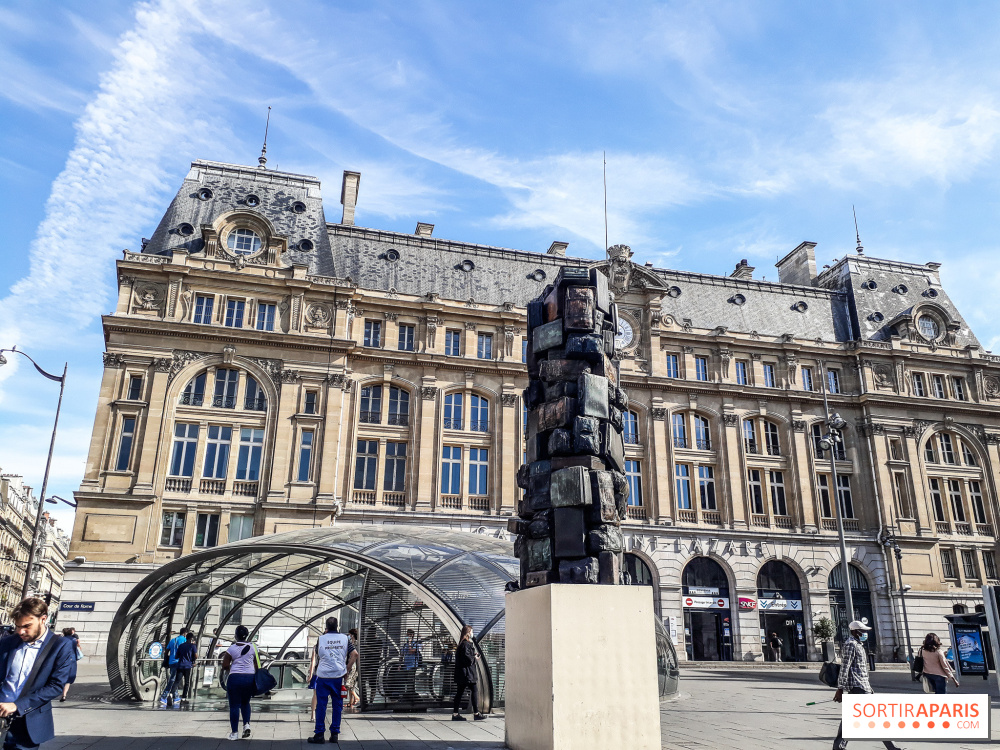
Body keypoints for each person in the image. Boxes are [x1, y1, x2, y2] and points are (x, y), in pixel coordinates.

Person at [0, 597, 76, 750]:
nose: (21, 631)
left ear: (43, 619)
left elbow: (55, 686)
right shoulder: (8, 642)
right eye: (18, 626)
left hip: (27, 721)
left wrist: (17, 705)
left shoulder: (60, 646)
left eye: (27, 626)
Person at [832, 621, 906, 750]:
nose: (865, 633)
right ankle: (892, 747)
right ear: (855, 631)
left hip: (863, 686)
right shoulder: (850, 645)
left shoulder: (858, 644)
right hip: (858, 687)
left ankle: (839, 746)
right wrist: (840, 689)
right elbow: (845, 667)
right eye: (863, 631)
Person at [307, 617, 358, 744]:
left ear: (327, 626)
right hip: (338, 677)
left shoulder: (321, 639)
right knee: (337, 705)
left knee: (321, 705)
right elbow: (355, 654)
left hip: (323, 676)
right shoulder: (345, 639)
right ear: (337, 626)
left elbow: (318, 654)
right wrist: (347, 668)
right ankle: (334, 733)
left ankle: (319, 734)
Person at [220, 626, 258, 741]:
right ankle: (246, 724)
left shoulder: (231, 649)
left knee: (234, 706)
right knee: (246, 703)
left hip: (235, 678)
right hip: (249, 678)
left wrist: (233, 667)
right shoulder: (253, 647)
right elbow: (257, 665)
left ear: (236, 636)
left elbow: (225, 665)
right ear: (246, 635)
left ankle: (234, 733)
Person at [451, 625, 485, 722]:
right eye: (471, 632)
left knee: (459, 693)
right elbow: (467, 659)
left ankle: (455, 713)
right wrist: (475, 658)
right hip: (467, 674)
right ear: (468, 633)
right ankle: (476, 713)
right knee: (474, 690)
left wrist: (472, 655)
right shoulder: (466, 644)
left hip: (462, 673)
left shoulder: (462, 644)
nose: (472, 634)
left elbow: (464, 656)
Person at [159, 626, 188, 707]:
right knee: (173, 680)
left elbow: (166, 650)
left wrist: (167, 658)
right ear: (185, 633)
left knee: (175, 679)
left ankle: (176, 697)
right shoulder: (184, 640)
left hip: (171, 661)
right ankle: (164, 696)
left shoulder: (172, 640)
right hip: (179, 662)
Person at [175, 632, 198, 702]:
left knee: (177, 681)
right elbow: (196, 656)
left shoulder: (181, 646)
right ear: (191, 638)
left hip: (180, 665)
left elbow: (176, 656)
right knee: (187, 682)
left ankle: (171, 694)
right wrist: (192, 661)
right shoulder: (192, 646)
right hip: (188, 666)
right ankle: (184, 698)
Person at [58, 629, 79, 702]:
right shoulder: (74, 640)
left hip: (62, 660)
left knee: (60, 676)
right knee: (69, 679)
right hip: (72, 660)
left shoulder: (61, 639)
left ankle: (57, 691)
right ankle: (64, 695)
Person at [400, 629, 421, 701]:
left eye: (409, 635)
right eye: (407, 635)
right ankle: (409, 693)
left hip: (413, 665)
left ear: (412, 635)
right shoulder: (405, 644)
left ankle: (411, 694)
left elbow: (411, 651)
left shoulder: (415, 644)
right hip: (406, 665)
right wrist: (400, 664)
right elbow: (402, 654)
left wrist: (409, 643)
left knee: (410, 679)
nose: (408, 636)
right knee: (407, 680)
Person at [345, 629, 360, 709]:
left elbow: (357, 655)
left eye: (349, 634)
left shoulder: (356, 644)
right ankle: (350, 702)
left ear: (352, 635)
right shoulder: (352, 643)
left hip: (353, 666)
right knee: (352, 685)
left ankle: (356, 697)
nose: (349, 636)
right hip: (350, 664)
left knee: (348, 684)